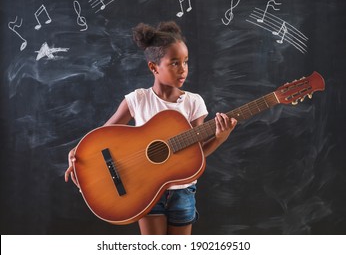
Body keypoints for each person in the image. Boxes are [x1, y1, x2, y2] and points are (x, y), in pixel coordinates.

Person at [65, 21, 237, 235]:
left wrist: (220, 137)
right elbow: (102, 135)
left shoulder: (194, 102)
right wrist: (79, 153)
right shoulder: (137, 99)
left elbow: (196, 155)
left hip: (183, 193)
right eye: (174, 63)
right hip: (144, 191)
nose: (183, 69)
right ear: (153, 67)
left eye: (185, 62)